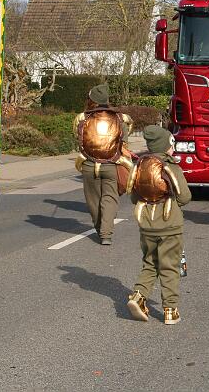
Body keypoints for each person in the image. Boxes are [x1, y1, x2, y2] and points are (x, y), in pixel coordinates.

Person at [126, 125, 191, 325]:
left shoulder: (140, 166)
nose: (173, 148)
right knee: (170, 266)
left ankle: (138, 296)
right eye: (172, 144)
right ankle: (170, 310)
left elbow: (134, 197)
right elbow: (185, 197)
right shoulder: (171, 167)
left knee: (150, 262)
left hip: (146, 223)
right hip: (170, 223)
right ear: (166, 146)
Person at [73, 84, 133, 245]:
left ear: (91, 99)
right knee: (110, 198)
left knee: (93, 200)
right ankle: (106, 233)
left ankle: (99, 227)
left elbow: (79, 140)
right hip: (112, 164)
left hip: (88, 163)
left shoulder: (82, 118)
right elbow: (124, 141)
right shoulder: (120, 118)